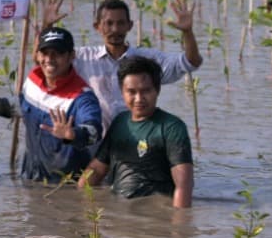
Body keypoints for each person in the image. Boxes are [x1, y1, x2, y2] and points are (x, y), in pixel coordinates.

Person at [0, 27, 103, 183]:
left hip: (65, 185)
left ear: (71, 56)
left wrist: (73, 134)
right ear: (37, 54)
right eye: (45, 53)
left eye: (58, 53)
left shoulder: (82, 97)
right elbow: (20, 105)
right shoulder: (33, 80)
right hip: (30, 178)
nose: (49, 59)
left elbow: (94, 132)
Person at [42, 0, 201, 129]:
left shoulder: (146, 60)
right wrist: (47, 26)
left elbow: (191, 62)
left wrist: (188, 32)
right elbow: (45, 61)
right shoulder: (82, 58)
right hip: (95, 141)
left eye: (120, 23)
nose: (115, 30)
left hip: (134, 142)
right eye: (108, 23)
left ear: (130, 26)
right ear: (97, 26)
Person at [78, 56, 194, 208]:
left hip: (154, 213)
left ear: (157, 90)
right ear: (122, 91)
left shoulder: (172, 127)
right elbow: (97, 169)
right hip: (119, 210)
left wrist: (178, 227)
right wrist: (79, 202)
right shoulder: (120, 122)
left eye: (146, 91)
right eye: (131, 92)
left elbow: (184, 185)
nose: (139, 99)